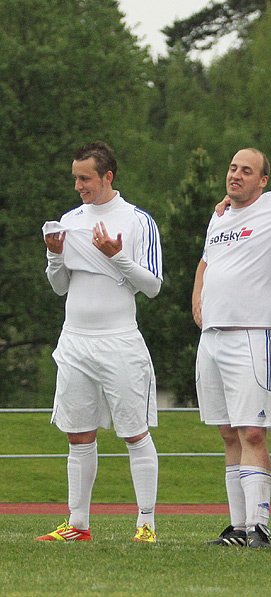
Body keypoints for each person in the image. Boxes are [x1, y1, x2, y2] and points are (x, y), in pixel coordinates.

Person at [38, 141, 162, 543]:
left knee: (134, 432)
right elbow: (59, 287)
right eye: (75, 177)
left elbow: (153, 286)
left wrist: (116, 256)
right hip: (74, 341)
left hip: (119, 341)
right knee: (78, 433)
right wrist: (55, 257)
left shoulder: (138, 221)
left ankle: (146, 524)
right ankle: (77, 524)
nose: (78, 186)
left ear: (108, 176)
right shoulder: (69, 220)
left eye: (85, 178)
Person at [194, 148, 271, 548]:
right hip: (213, 337)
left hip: (253, 333)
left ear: (263, 181)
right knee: (227, 432)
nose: (236, 175)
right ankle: (237, 527)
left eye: (246, 171)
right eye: (232, 167)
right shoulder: (219, 215)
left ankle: (259, 525)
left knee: (252, 431)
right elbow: (207, 262)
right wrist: (197, 299)